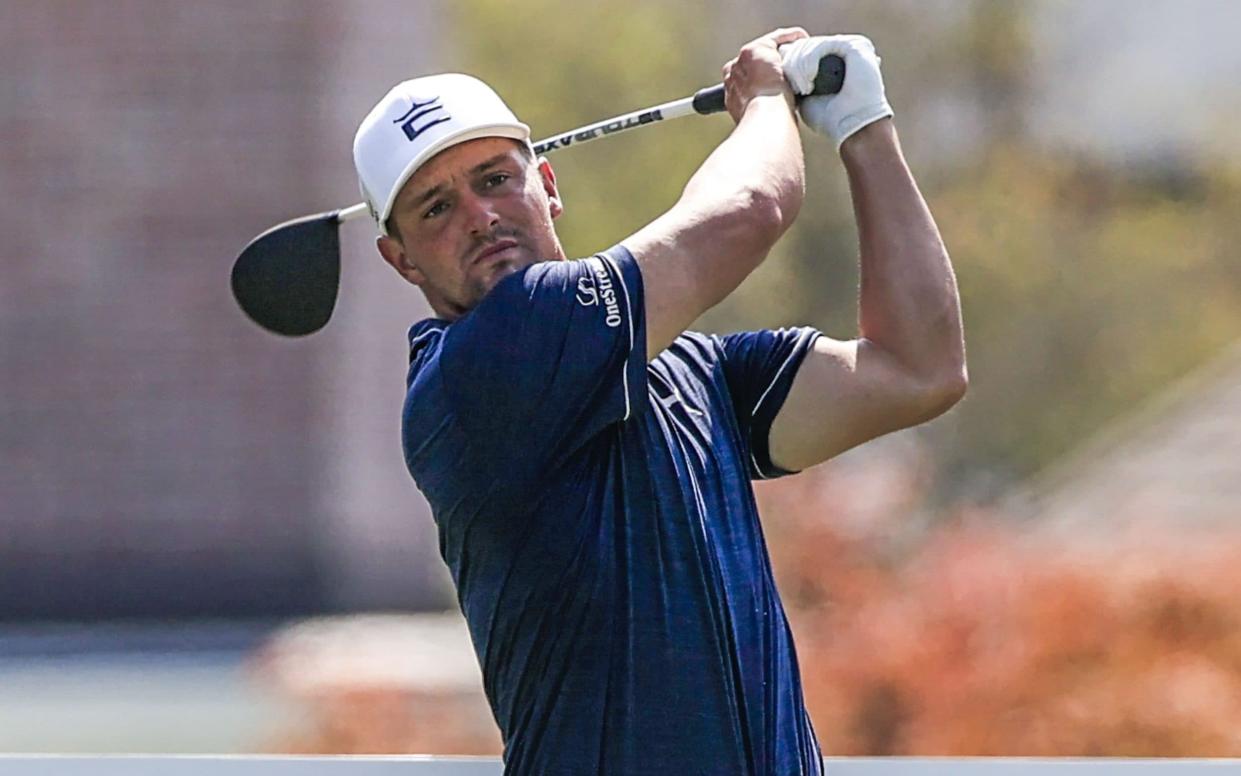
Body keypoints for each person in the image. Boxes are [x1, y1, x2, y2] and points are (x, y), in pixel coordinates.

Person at [352, 27, 966, 775]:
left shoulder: (689, 369)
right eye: (434, 208)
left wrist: (862, 126)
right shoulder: (479, 370)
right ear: (400, 257)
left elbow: (916, 369)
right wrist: (766, 98)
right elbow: (748, 210)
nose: (479, 216)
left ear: (546, 184)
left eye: (493, 179)